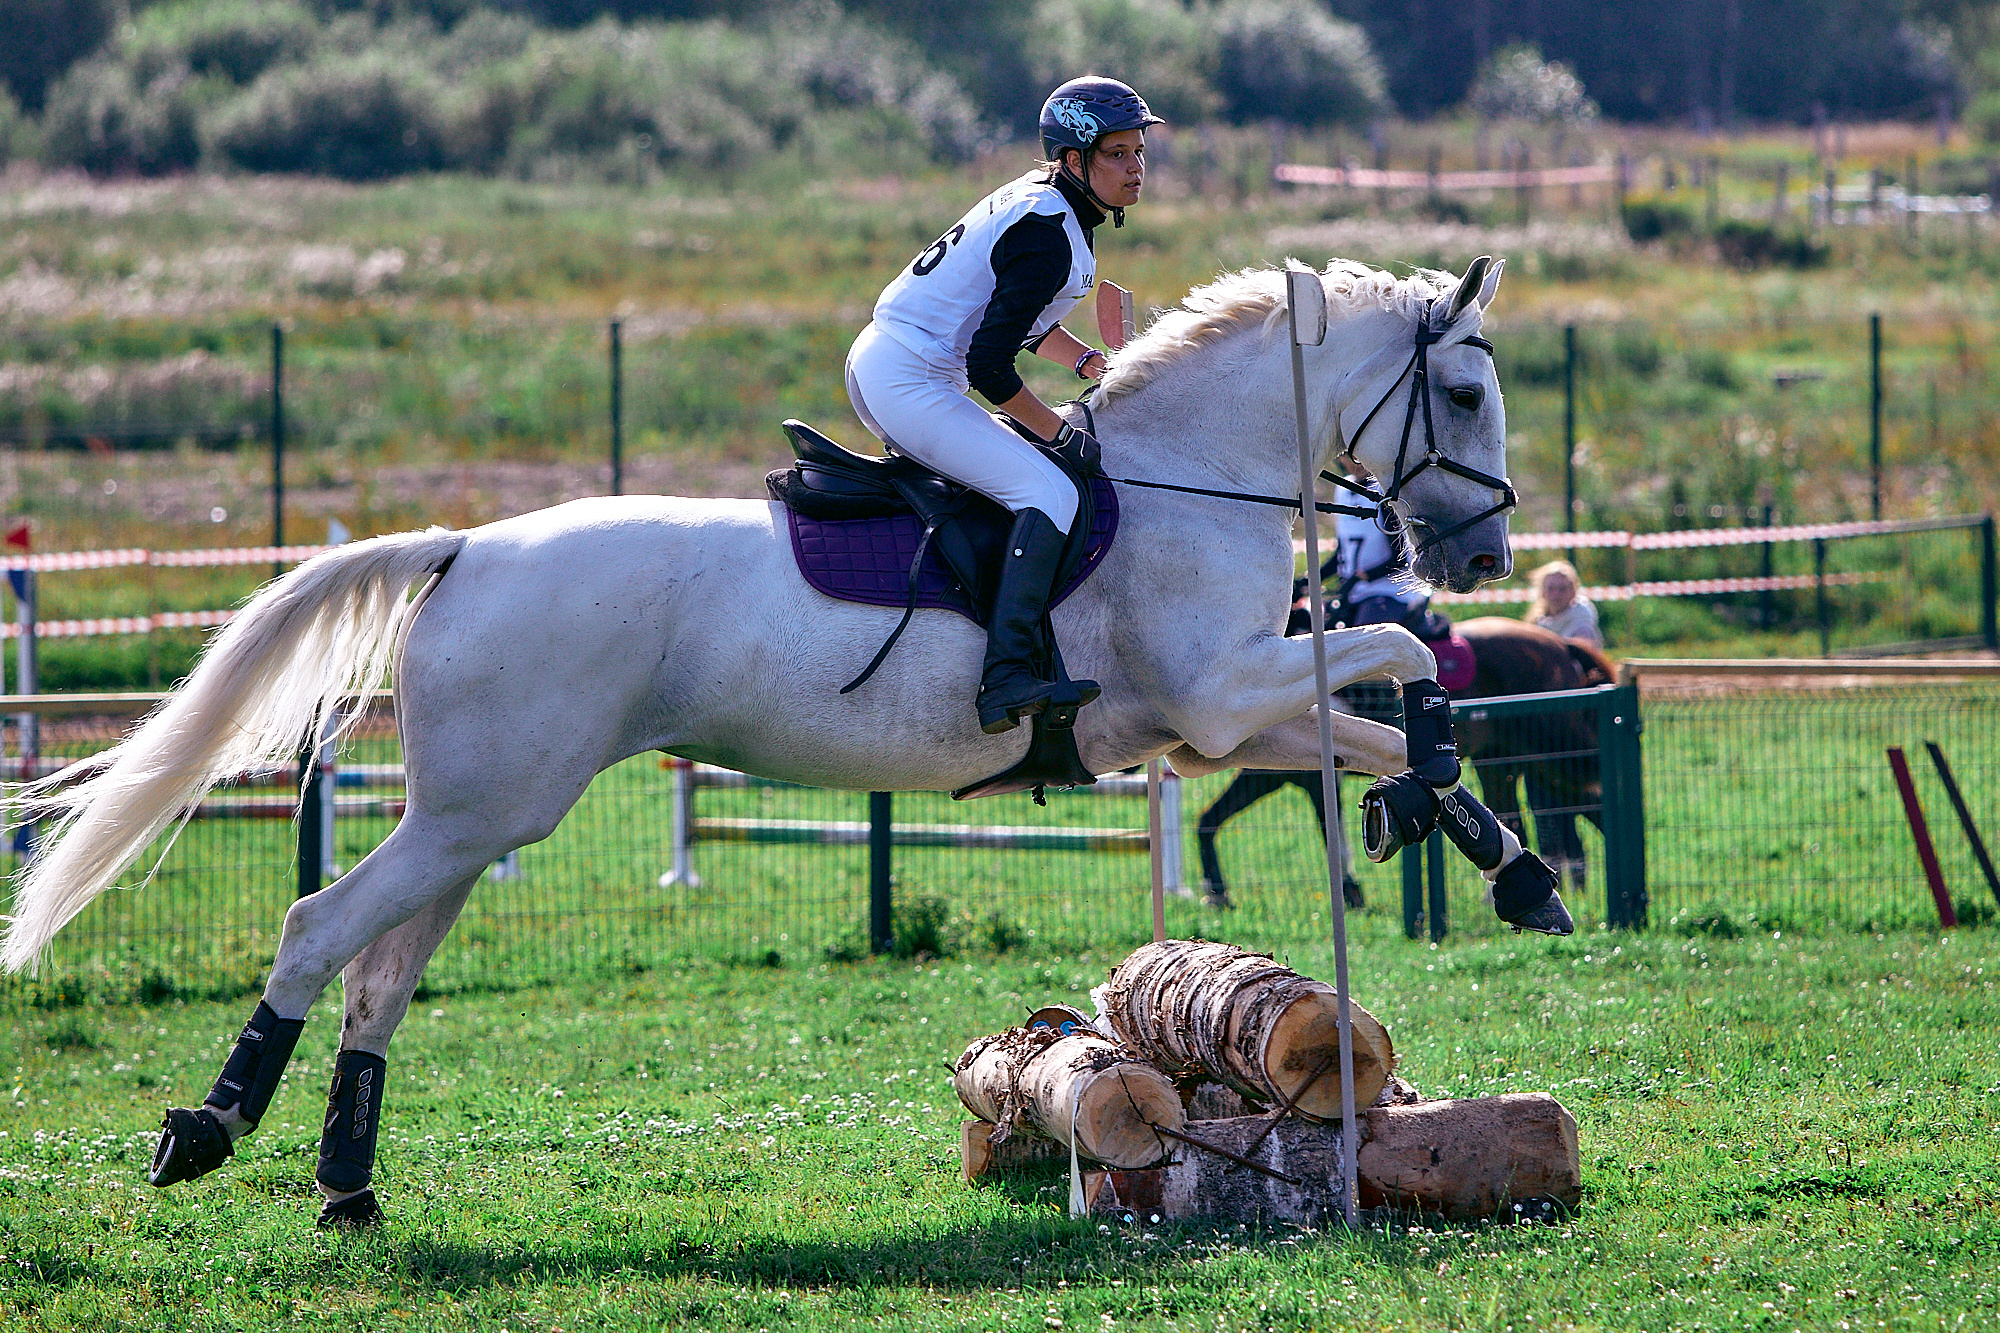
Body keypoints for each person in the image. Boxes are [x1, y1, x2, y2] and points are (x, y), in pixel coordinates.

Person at [844, 76, 1161, 734]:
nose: (1135, 168)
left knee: (1035, 480)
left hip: (894, 363)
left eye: (1138, 152)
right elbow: (990, 365)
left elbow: (1020, 323)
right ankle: (1007, 675)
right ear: (1073, 159)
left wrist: (1086, 361)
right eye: (1117, 154)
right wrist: (1058, 435)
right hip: (909, 380)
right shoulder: (1049, 229)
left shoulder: (1049, 201)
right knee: (1052, 491)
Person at [1525, 559, 1603, 648]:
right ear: (1542, 592)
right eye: (1550, 588)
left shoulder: (1582, 627)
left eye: (1562, 589)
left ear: (1573, 592)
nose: (1556, 594)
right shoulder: (1539, 625)